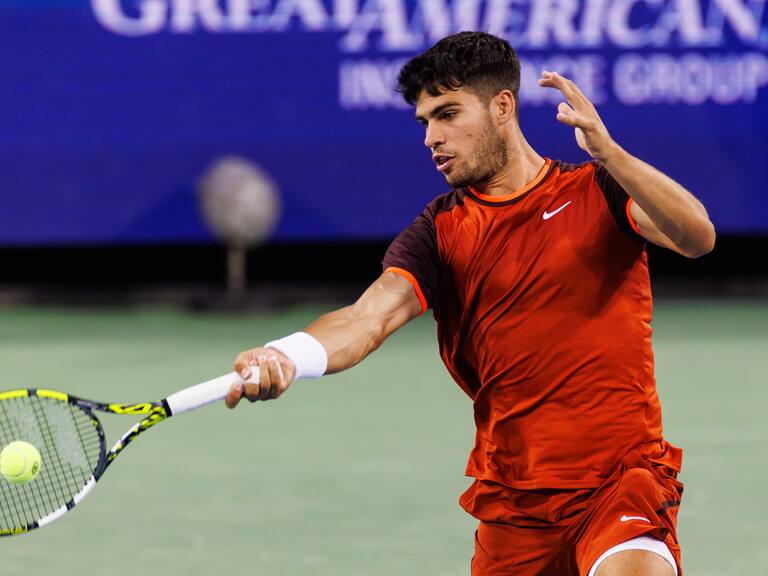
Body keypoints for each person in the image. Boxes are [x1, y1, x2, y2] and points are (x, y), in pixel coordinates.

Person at [225, 32, 715, 576]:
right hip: (514, 501)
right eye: (425, 122)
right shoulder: (440, 230)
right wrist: (287, 353)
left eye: (448, 114)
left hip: (621, 481)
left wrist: (611, 154)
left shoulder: (598, 190)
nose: (432, 137)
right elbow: (368, 318)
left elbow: (696, 237)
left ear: (502, 106)